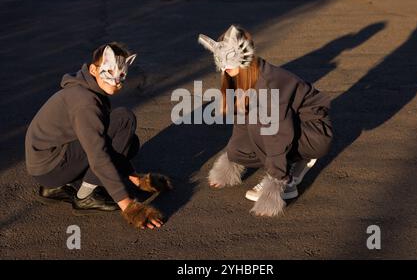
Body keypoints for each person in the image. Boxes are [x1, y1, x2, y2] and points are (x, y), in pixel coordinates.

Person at [25, 42, 171, 229]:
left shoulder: (85, 88)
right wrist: (129, 207)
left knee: (129, 142)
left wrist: (135, 178)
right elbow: (98, 155)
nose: (117, 81)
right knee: (123, 120)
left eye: (122, 75)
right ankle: (86, 195)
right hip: (50, 167)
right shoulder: (86, 103)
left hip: (46, 164)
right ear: (93, 69)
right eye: (110, 72)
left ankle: (55, 188)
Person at [198, 25, 333, 217]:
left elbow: (277, 132)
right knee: (241, 148)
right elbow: (241, 123)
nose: (226, 66)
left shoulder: (268, 83)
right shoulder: (238, 76)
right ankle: (289, 159)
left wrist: (276, 179)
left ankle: (289, 177)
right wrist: (230, 163)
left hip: (313, 133)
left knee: (261, 124)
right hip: (287, 127)